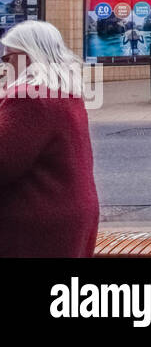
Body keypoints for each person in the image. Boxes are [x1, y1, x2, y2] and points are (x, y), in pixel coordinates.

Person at [0, 21, 99, 257]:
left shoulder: (27, 97)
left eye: (7, 58)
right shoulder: (66, 93)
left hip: (33, 223)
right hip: (69, 215)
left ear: (26, 55)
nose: (4, 67)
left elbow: (4, 162)